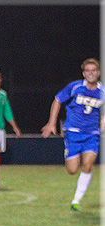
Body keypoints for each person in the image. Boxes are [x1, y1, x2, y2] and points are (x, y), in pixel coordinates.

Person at [41, 58, 104, 211]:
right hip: (74, 133)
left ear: (98, 73)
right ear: (84, 73)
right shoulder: (75, 87)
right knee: (72, 170)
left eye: (93, 70)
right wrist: (51, 123)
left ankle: (76, 200)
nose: (91, 73)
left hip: (92, 134)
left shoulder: (102, 91)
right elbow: (57, 100)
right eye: (88, 70)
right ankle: (68, 151)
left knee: (87, 165)